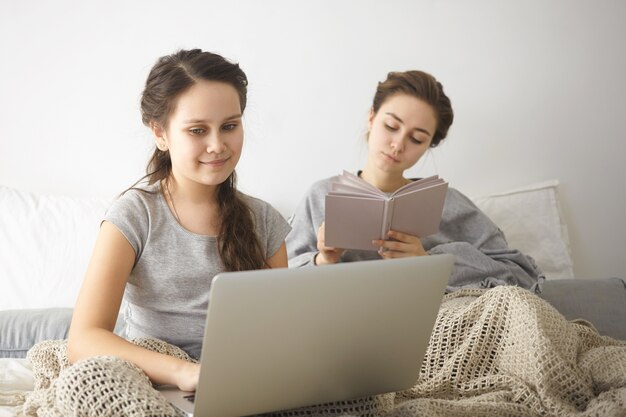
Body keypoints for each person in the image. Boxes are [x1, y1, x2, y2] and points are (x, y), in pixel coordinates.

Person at [67, 49, 290, 392]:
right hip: (153, 380)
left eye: (229, 126)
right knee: (83, 386)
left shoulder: (264, 221)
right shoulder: (135, 215)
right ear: (160, 133)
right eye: (198, 130)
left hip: (238, 383)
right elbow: (83, 339)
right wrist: (186, 373)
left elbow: (281, 332)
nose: (217, 145)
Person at [287, 70, 542, 292]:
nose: (398, 145)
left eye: (417, 139)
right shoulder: (321, 196)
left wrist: (428, 260)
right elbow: (277, 279)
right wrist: (323, 260)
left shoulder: (450, 204)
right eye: (390, 126)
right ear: (372, 117)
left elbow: (521, 274)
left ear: (429, 146)